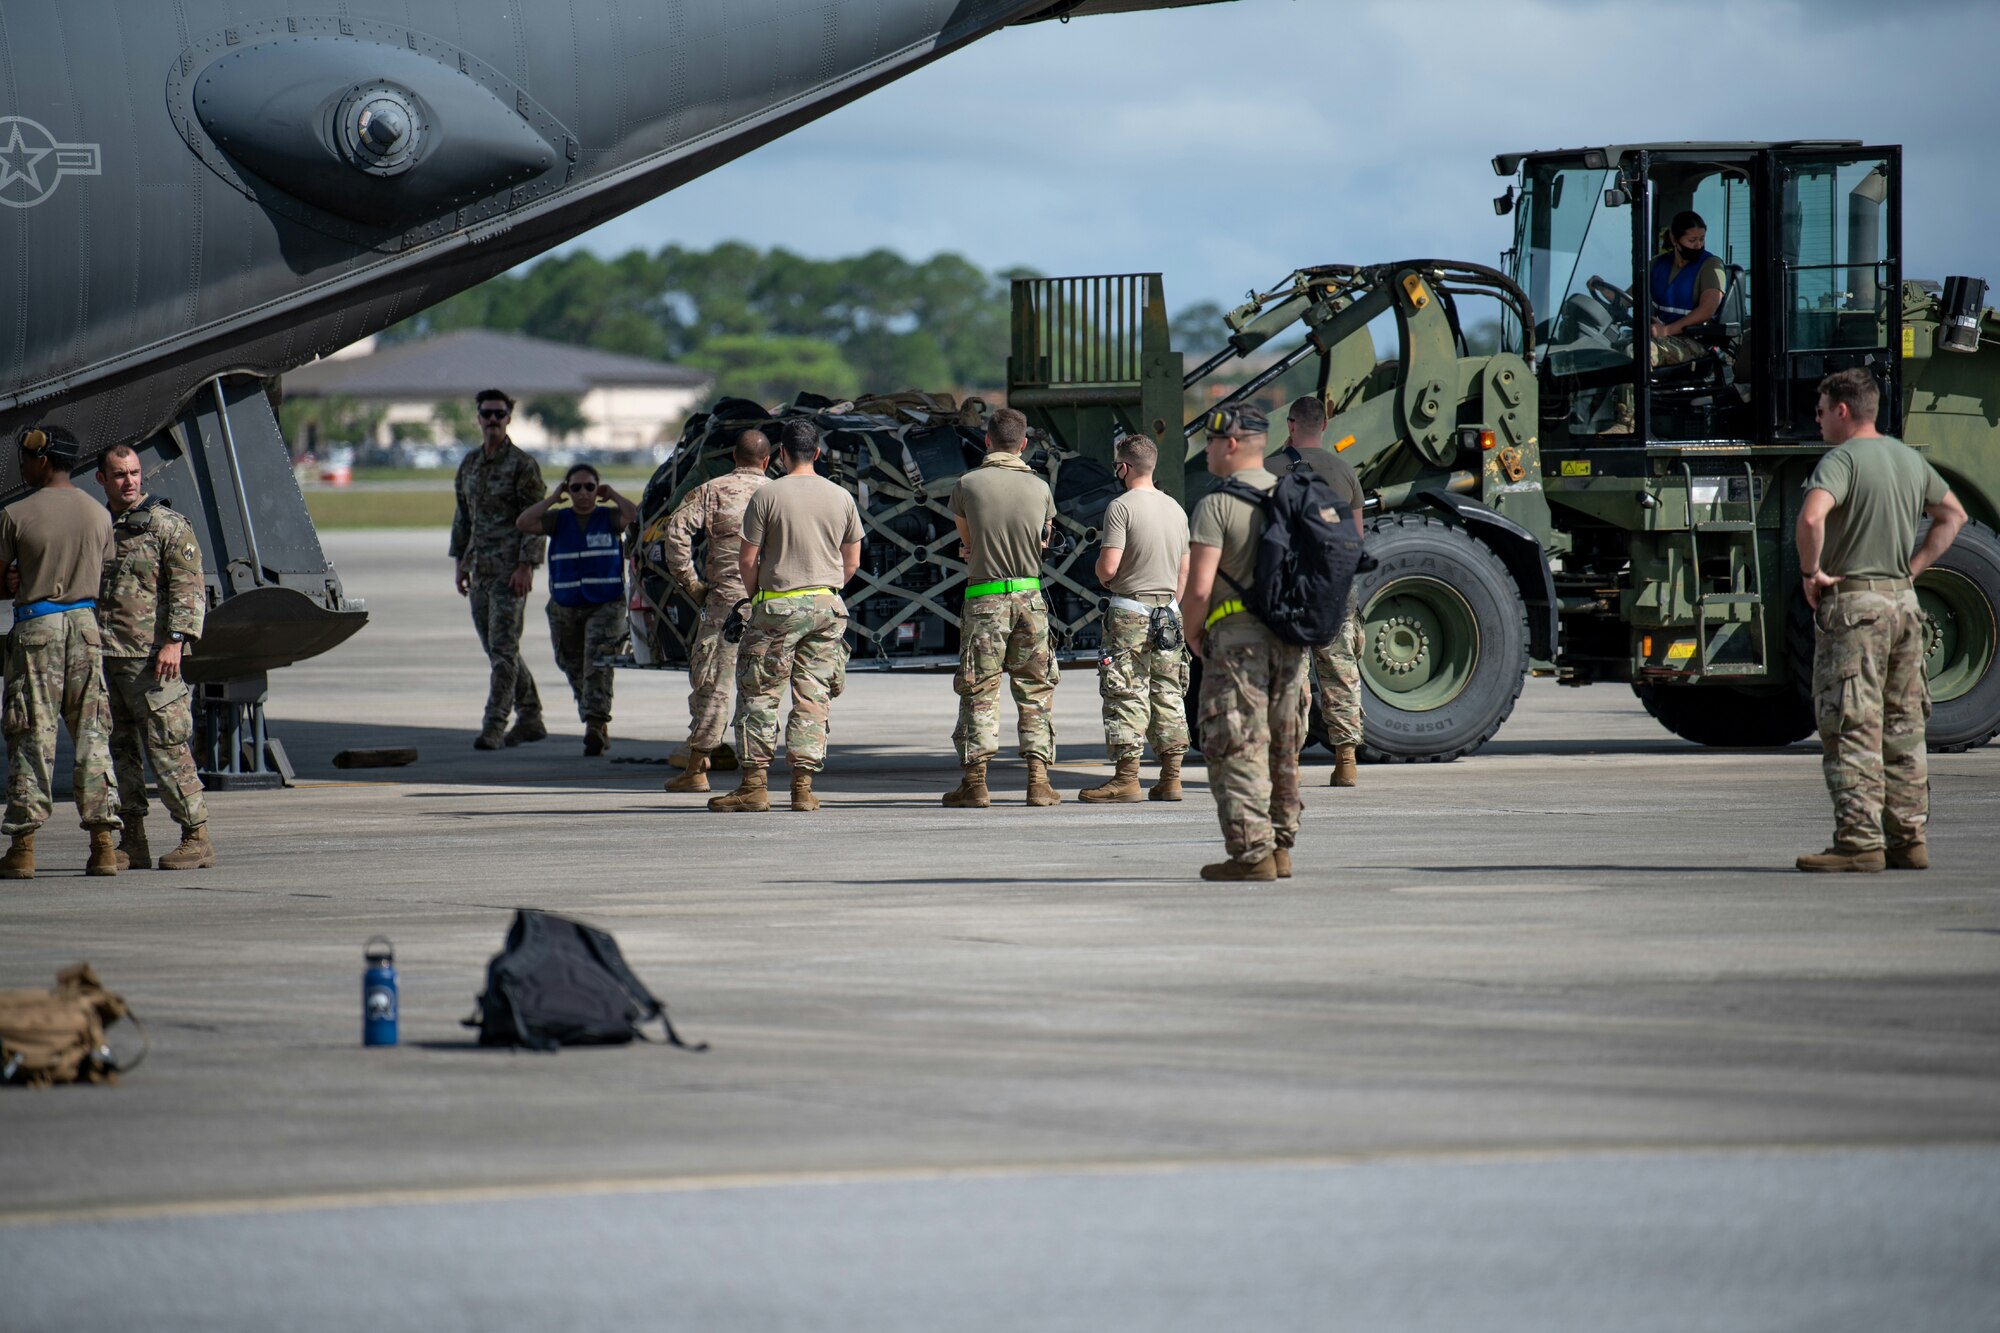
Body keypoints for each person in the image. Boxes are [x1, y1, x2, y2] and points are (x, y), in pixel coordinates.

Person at [1794, 368, 1966, 872]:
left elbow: (1811, 517)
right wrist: (1911, 570)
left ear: (1843, 411)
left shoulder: (1841, 460)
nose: (1819, 419)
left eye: (1822, 410)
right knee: (1903, 724)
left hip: (1856, 607)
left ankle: (1859, 843)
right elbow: (1951, 515)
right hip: (1904, 606)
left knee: (1851, 723)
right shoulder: (1909, 459)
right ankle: (1909, 839)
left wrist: (1812, 572)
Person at [706, 419, 861, 814]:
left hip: (777, 603)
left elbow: (747, 559)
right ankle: (803, 789)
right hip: (827, 607)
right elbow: (852, 561)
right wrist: (824, 587)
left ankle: (754, 786)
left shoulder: (767, 495)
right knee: (813, 696)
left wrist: (760, 597)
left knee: (759, 694)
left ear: (780, 456)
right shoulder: (841, 496)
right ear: (818, 453)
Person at [1180, 405, 1308, 882]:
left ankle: (1252, 854)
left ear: (1231, 444)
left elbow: (1198, 585)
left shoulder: (1217, 504)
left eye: (1211, 443)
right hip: (1292, 639)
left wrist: (1194, 630)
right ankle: (1281, 847)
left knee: (1236, 742)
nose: (1207, 451)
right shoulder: (1295, 495)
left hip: (1237, 640)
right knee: (1283, 743)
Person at [0, 426, 122, 878]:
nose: (24, 466)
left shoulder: (15, 514)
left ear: (44, 460)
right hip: (86, 628)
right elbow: (100, 566)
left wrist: (13, 580)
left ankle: (24, 847)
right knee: (92, 735)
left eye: (27, 459)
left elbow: (1, 581)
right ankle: (104, 845)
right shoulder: (99, 515)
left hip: (38, 628)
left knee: (31, 735)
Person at [94, 443, 216, 870]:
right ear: (102, 480)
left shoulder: (167, 526)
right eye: (120, 475)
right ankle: (133, 838)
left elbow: (189, 588)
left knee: (168, 750)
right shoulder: (98, 526)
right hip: (107, 659)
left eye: (134, 473)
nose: (129, 482)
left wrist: (175, 642)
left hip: (152, 661)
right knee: (119, 754)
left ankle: (196, 836)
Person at [941, 407, 1062, 809]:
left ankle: (975, 783)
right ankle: (1039, 782)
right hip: (1030, 597)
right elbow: (1043, 540)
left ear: (987, 440)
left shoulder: (967, 484)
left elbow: (968, 542)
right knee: (1035, 689)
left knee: (979, 690)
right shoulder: (1040, 488)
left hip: (985, 597)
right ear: (1024, 444)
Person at [657, 427, 771, 792]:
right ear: (767, 461)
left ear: (733, 458)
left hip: (726, 605)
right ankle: (757, 774)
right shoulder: (778, 493)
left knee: (714, 685)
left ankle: (697, 769)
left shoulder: (712, 490)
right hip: (772, 604)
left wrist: (691, 583)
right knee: (761, 689)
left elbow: (675, 532)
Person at [1078, 431, 1190, 803]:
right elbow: (1184, 569)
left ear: (1124, 467)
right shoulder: (1175, 508)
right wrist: (1173, 605)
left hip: (1130, 611)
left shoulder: (1121, 507)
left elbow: (1108, 567)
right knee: (1168, 691)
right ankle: (1171, 778)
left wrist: (1101, 573)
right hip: (1169, 614)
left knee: (1126, 691)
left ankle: (1127, 779)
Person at [449, 389, 548, 750]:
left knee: (504, 650)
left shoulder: (523, 465)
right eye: (487, 414)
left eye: (499, 414)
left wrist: (526, 566)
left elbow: (537, 520)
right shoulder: (470, 464)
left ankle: (494, 725)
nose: (492, 420)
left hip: (510, 572)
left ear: (508, 418)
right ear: (478, 417)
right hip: (479, 569)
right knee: (497, 650)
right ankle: (532, 716)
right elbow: (463, 516)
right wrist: (460, 560)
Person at [516, 463, 637, 756]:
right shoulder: (558, 519)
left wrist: (614, 496)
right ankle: (594, 718)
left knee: (597, 662)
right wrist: (553, 499)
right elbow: (524, 522)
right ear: (567, 490)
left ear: (598, 489)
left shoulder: (608, 517)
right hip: (565, 604)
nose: (583, 493)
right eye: (576, 487)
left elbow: (635, 518)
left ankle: (594, 725)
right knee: (570, 662)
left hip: (605, 603)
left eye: (589, 487)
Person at [1282, 395, 1368, 787]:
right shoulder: (1345, 472)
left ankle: (1290, 763)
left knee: (1290, 676)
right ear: (1325, 426)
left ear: (1291, 424)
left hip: (1291, 591)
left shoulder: (1271, 470)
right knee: (1341, 671)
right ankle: (1346, 761)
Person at [1605, 210, 1726, 434]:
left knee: (1637, 352)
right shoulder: (1658, 265)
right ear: (1674, 239)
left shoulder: (1710, 266)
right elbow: (1629, 298)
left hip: (1694, 342)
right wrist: (1603, 290)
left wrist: (1667, 330)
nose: (1698, 245)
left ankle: (1628, 423)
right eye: (1692, 240)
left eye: (1701, 239)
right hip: (1664, 338)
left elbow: (1707, 310)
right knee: (1610, 350)